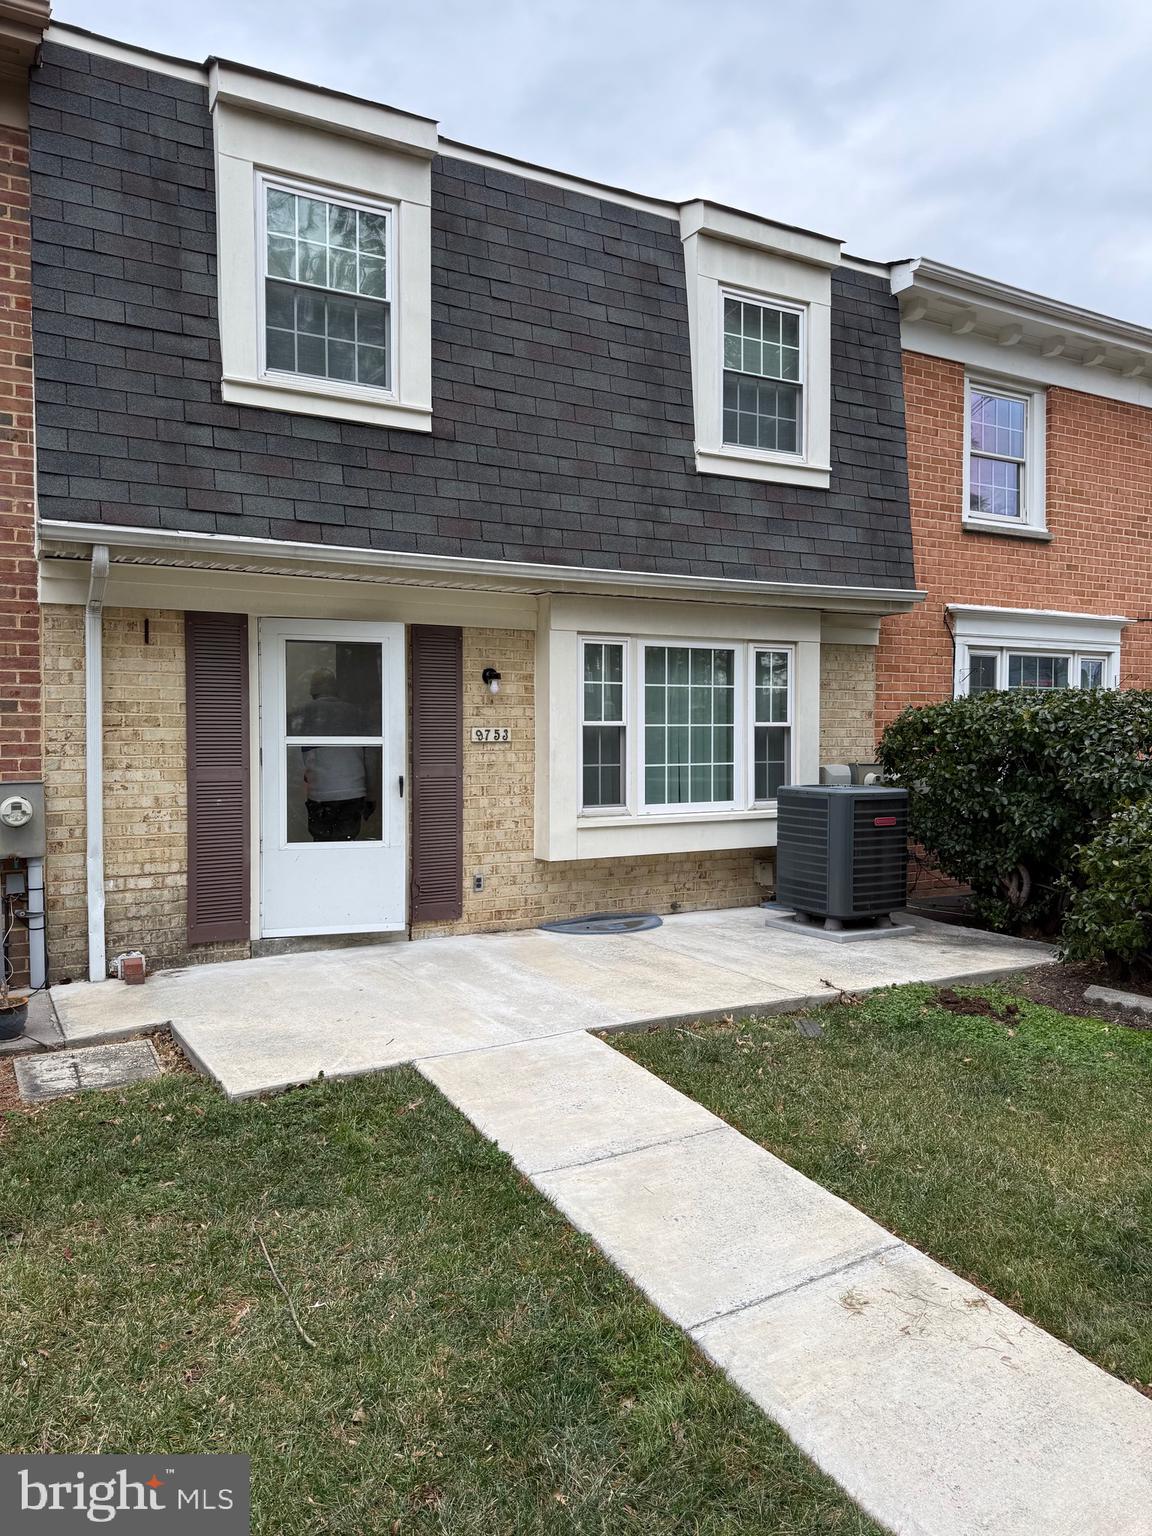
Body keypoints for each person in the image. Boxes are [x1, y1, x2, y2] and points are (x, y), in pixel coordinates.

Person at [294, 667, 376, 841]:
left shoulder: (303, 715)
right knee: (347, 843)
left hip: (319, 794)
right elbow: (370, 758)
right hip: (353, 792)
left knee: (321, 844)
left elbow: (297, 760)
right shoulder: (357, 714)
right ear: (336, 689)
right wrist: (371, 795)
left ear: (312, 690)